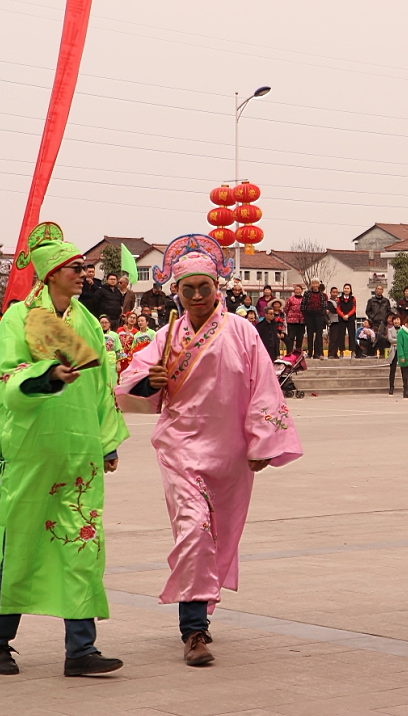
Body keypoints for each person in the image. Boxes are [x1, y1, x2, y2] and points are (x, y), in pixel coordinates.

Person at [0, 222, 129, 678]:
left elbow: (102, 385)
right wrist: (48, 375)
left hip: (79, 450)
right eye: (75, 267)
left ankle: (81, 650)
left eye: (85, 267)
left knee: (81, 543)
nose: (83, 273)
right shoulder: (18, 318)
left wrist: (107, 442)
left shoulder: (86, 320)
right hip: (32, 448)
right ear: (50, 272)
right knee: (23, 544)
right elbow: (7, 378)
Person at [116, 242, 302, 667]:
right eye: (188, 289)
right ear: (176, 292)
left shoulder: (242, 331)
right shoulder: (164, 337)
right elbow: (132, 384)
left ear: (218, 288)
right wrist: (151, 380)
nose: (197, 296)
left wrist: (262, 443)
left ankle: (199, 607)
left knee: (220, 534)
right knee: (194, 528)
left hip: (231, 449)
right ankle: (193, 630)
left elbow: (263, 388)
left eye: (204, 287)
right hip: (181, 445)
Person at [301, 280, 328, 360]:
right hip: (309, 316)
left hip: (319, 316)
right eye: (313, 283)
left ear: (319, 285)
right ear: (311, 285)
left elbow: (324, 306)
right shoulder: (307, 293)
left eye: (316, 283)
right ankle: (310, 353)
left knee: (319, 335)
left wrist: (322, 314)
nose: (315, 285)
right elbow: (303, 305)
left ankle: (320, 353)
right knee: (310, 335)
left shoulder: (322, 295)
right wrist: (306, 314)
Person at [365, 285, 391, 358]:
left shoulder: (386, 301)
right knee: (372, 338)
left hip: (383, 323)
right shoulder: (371, 301)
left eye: (381, 289)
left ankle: (382, 354)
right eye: (378, 289)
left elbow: (389, 311)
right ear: (375, 290)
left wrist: (386, 319)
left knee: (382, 338)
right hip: (374, 323)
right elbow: (367, 311)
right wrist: (372, 317)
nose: (379, 290)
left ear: (382, 291)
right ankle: (371, 354)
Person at [334, 284, 358, 357]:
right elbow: (337, 308)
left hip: (350, 318)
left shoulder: (353, 298)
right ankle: (341, 351)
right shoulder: (339, 299)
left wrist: (348, 315)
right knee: (341, 335)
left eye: (348, 288)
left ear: (350, 290)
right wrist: (343, 315)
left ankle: (353, 351)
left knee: (352, 335)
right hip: (342, 319)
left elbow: (354, 308)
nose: (346, 290)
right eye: (345, 288)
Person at [284, 284, 305, 353]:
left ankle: (298, 353)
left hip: (301, 321)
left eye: (299, 289)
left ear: (301, 291)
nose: (297, 291)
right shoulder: (290, 299)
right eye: (296, 289)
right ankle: (289, 353)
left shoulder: (304, 299)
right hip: (292, 322)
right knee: (291, 338)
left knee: (300, 338)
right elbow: (286, 309)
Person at [385, 315, 400, 395]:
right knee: (392, 370)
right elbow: (390, 340)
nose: (396, 321)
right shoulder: (390, 330)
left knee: (404, 370)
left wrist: (397, 341)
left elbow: (405, 339)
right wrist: (400, 340)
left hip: (401, 351)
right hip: (393, 351)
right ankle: (391, 387)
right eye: (395, 320)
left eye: (398, 319)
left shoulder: (403, 329)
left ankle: (406, 387)